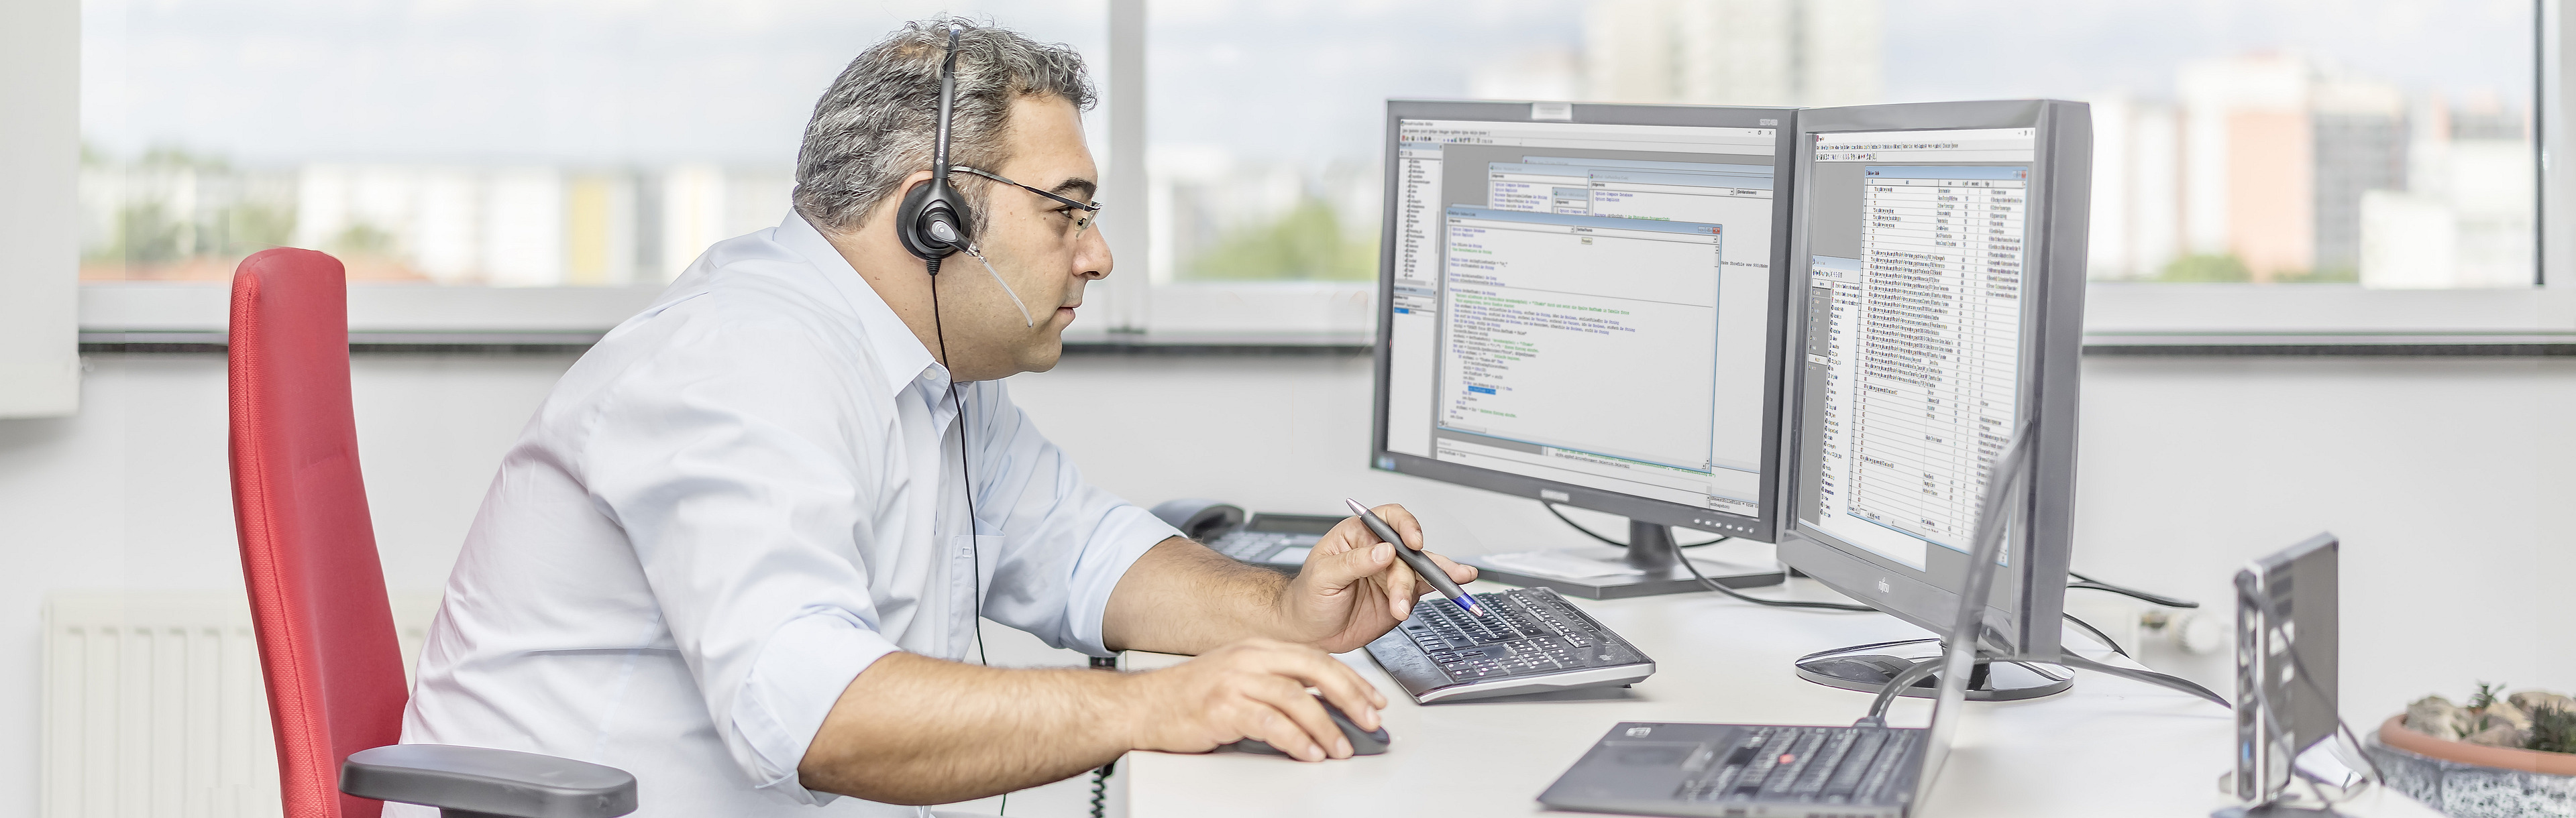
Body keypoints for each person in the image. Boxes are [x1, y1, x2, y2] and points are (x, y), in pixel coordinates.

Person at [394, 17, 1477, 817]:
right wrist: (1157, 708)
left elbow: (1082, 555)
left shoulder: (926, 373)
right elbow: (818, 718)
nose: (1098, 255)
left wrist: (1288, 612)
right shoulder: (736, 369)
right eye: (1069, 211)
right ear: (935, 214)